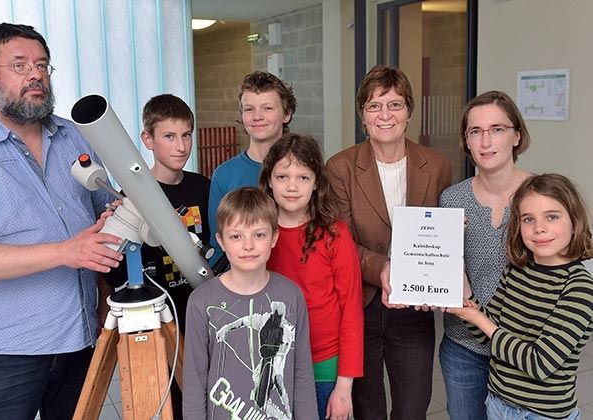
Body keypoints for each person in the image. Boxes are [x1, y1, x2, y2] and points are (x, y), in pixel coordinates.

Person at [0, 23, 123, 419]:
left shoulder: (73, 136)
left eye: (43, 64)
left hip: (80, 338)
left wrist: (126, 211)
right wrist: (65, 252)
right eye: (19, 65)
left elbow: (105, 210)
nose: (36, 74)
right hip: (2, 353)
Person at [326, 65, 452, 420]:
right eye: (374, 106)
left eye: (395, 105)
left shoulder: (437, 165)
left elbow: (439, 234)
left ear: (410, 112)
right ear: (362, 116)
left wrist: (438, 276)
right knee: (367, 408)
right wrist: (382, 268)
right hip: (361, 304)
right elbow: (342, 240)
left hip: (415, 305)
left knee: (413, 406)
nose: (385, 115)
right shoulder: (340, 168)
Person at [447, 173, 593, 420]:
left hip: (543, 415)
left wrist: (481, 321)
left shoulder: (579, 287)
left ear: (574, 220)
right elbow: (488, 337)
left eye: (552, 217)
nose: (539, 228)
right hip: (497, 404)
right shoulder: (517, 270)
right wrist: (465, 297)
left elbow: (540, 363)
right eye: (528, 219)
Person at [103, 93, 210, 419]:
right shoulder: (131, 197)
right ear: (147, 139)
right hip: (156, 319)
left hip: (198, 315)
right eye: (169, 136)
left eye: (186, 135)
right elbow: (114, 272)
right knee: (169, 402)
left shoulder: (204, 188)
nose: (181, 146)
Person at [183, 187, 318, 419]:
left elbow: (302, 373)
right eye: (236, 236)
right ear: (221, 241)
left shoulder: (291, 295)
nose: (248, 246)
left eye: (259, 235)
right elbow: (195, 382)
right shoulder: (201, 302)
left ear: (274, 237)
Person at [437, 90, 531, 420]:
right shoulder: (451, 200)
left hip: (522, 349)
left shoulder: (541, 196)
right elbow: (441, 271)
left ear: (517, 136)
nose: (485, 141)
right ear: (466, 140)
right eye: (475, 131)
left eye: (497, 129)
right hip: (464, 347)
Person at [259, 133, 364, 420]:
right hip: (270, 365)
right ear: (269, 179)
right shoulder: (256, 236)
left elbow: (351, 311)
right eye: (282, 177)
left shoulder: (336, 234)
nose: (292, 186)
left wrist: (344, 387)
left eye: (303, 178)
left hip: (324, 368)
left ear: (317, 182)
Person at [208, 71, 297, 268]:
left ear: (287, 113)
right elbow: (218, 246)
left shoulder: (303, 172)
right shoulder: (224, 176)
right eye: (249, 109)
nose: (258, 116)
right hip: (245, 286)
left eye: (267, 108)